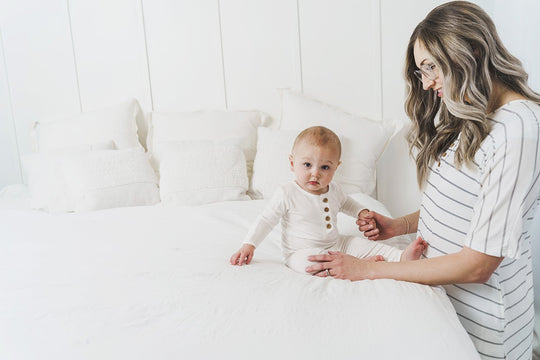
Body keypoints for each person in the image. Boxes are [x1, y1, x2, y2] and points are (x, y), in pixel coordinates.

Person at [305, 2, 540, 359]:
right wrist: (399, 225)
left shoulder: (520, 129)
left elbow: (479, 264)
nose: (427, 83)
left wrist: (366, 270)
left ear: (473, 50)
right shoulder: (476, 114)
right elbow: (464, 205)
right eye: (421, 70)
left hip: (487, 325)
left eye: (431, 66)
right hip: (444, 308)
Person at [230, 126, 427, 274]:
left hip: (336, 243)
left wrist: (361, 212)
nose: (315, 173)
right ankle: (360, 265)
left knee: (360, 244)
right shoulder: (287, 193)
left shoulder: (334, 189)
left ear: (336, 167)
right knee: (311, 264)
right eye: (307, 165)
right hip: (301, 251)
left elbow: (347, 203)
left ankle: (400, 256)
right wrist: (250, 244)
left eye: (325, 167)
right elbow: (266, 220)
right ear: (292, 163)